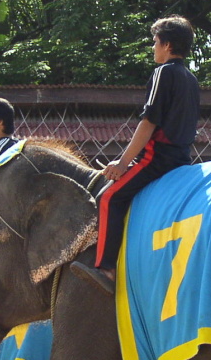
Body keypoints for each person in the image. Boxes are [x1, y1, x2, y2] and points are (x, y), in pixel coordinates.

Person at [74, 16, 201, 294]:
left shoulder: (163, 73)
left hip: (157, 159)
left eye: (155, 42)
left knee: (108, 197)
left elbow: (149, 121)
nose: (153, 47)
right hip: (182, 158)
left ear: (167, 45)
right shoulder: (191, 79)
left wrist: (121, 163)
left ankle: (106, 268)